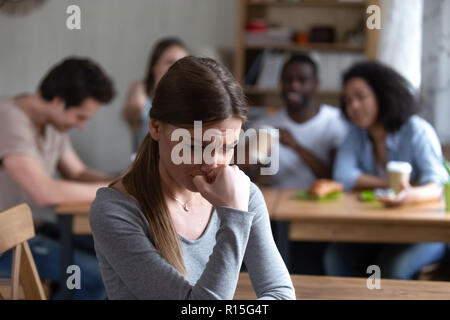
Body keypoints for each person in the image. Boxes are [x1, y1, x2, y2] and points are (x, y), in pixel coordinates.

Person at [90, 56, 295, 300]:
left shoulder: (243, 195)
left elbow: (279, 293)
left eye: (227, 147)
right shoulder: (115, 210)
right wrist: (235, 218)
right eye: (198, 146)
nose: (214, 162)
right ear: (155, 127)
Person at [0, 57, 116, 299]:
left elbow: (78, 173)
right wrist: (115, 189)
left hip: (31, 231)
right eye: (80, 117)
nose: (82, 126)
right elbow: (44, 193)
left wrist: (126, 179)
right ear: (58, 102)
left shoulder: (52, 124)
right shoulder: (8, 118)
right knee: (97, 278)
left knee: (116, 258)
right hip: (5, 243)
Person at [325, 61, 449, 280]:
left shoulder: (417, 131)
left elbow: (437, 184)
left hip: (424, 232)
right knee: (335, 257)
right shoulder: (356, 134)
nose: (353, 106)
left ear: (382, 95)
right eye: (348, 100)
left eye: (360, 97)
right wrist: (390, 185)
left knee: (392, 268)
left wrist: (410, 195)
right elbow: (342, 177)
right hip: (377, 230)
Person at [248, 53, 348, 275]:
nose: (294, 85)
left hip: (321, 211)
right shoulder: (266, 123)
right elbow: (245, 176)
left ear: (316, 85)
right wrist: (253, 156)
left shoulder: (334, 121)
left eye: (302, 80)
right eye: (288, 79)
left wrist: (296, 146)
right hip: (276, 213)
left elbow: (335, 177)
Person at [122, 37, 189, 151]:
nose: (178, 67)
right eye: (170, 62)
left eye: (183, 62)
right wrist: (138, 87)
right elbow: (134, 108)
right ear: (155, 67)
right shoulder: (141, 98)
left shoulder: (192, 102)